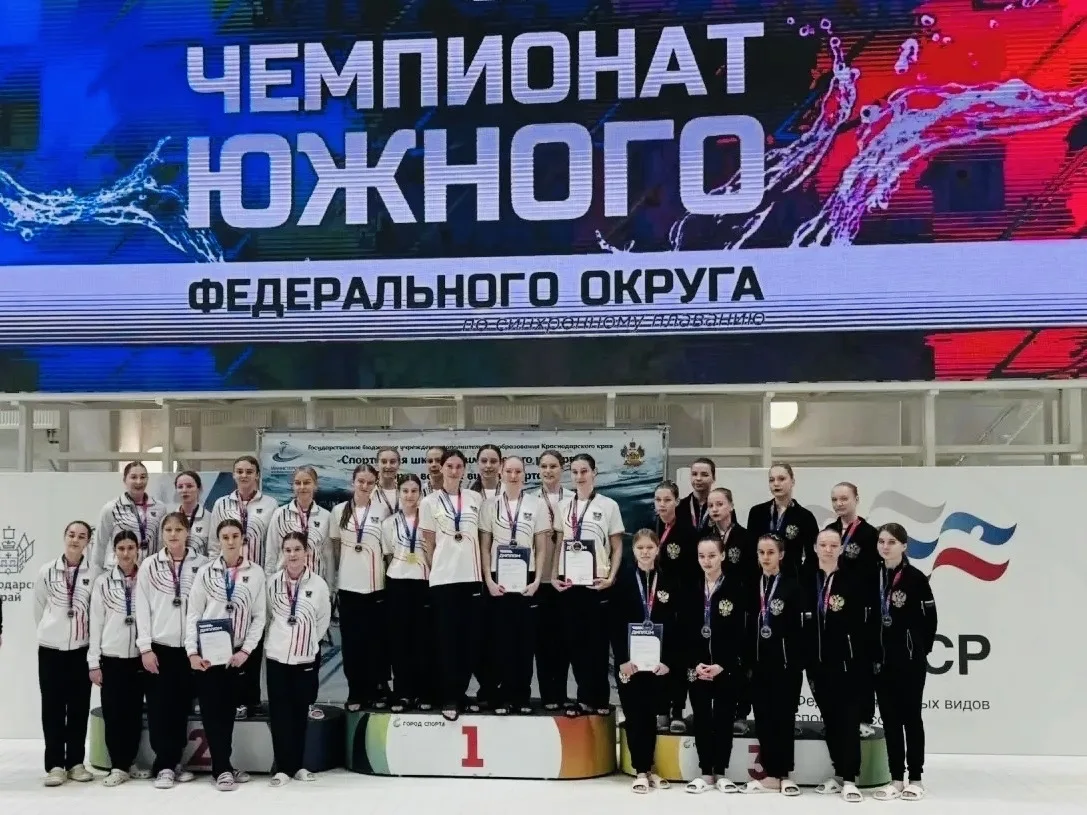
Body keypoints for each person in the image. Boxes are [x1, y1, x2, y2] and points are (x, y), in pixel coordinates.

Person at [185, 519, 267, 792]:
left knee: (229, 713)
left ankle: (223, 765)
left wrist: (246, 651)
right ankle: (221, 768)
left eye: (235, 536)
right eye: (225, 537)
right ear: (218, 540)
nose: (230, 541)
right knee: (212, 712)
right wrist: (192, 652)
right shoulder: (205, 572)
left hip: (237, 656)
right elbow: (194, 614)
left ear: (242, 539)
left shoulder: (255, 573)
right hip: (208, 655)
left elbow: (259, 617)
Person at [136, 511, 208, 788]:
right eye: (168, 530)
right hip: (160, 647)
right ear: (162, 534)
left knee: (180, 708)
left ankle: (174, 761)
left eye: (179, 529)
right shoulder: (150, 565)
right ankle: (164, 765)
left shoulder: (202, 565)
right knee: (159, 708)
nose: (173, 534)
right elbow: (142, 608)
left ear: (188, 532)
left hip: (189, 649)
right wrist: (145, 647)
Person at [554, 453, 625, 717]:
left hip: (597, 584)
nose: (579, 476)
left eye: (584, 471)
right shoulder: (564, 506)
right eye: (574, 472)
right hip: (571, 584)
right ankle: (584, 698)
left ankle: (601, 699)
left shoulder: (608, 505)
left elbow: (617, 546)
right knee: (575, 643)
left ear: (594, 472)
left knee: (598, 644)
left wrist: (611, 577)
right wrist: (554, 575)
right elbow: (558, 543)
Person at [479, 455, 551, 714]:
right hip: (497, 579)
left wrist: (537, 580)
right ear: (501, 473)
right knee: (500, 642)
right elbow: (485, 547)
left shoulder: (536, 505)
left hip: (526, 579)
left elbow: (541, 547)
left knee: (524, 642)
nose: (513, 475)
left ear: (524, 475)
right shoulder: (489, 505)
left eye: (518, 471)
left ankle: (521, 697)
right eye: (508, 471)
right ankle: (503, 696)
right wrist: (488, 580)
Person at [871, 523, 937, 802]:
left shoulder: (915, 578)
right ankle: (896, 778)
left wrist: (918, 650)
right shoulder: (872, 576)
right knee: (890, 721)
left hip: (910, 662)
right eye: (881, 541)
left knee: (911, 719)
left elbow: (930, 620)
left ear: (904, 546)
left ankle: (916, 779)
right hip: (881, 663)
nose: (885, 546)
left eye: (892, 542)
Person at [209, 454, 279, 719]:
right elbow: (213, 544)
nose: (244, 475)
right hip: (227, 580)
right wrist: (217, 576)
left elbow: (272, 545)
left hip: (255, 578)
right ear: (234, 475)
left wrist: (267, 578)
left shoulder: (270, 504)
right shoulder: (221, 504)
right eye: (239, 471)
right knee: (229, 637)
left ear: (257, 474)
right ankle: (229, 697)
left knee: (254, 638)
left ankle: (251, 698)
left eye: (249, 471)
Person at [419, 448, 485, 720]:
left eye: (459, 466)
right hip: (444, 580)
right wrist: (439, 568)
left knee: (468, 642)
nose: (454, 471)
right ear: (442, 468)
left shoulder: (475, 498)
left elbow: (481, 537)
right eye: (450, 466)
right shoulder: (429, 502)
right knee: (446, 641)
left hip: (471, 579)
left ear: (465, 470)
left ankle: (461, 693)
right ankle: (448, 696)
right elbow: (428, 543)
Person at [611, 529, 676, 794]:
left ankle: (649, 769)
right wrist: (622, 660)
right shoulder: (624, 580)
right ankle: (640, 770)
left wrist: (667, 661)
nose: (645, 552)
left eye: (650, 547)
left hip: (656, 664)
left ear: (657, 549)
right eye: (640, 548)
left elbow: (674, 626)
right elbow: (615, 625)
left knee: (650, 716)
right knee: (634, 715)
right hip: (631, 664)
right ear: (634, 551)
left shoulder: (668, 580)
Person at [266, 532, 332, 787]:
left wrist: (308, 642)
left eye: (297, 549)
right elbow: (268, 616)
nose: (292, 554)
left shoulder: (319, 585)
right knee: (280, 714)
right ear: (283, 553)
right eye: (288, 550)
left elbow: (323, 620)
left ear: (307, 553)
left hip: (305, 659)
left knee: (300, 713)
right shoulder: (273, 583)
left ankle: (299, 766)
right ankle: (283, 768)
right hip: (277, 658)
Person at [804, 529, 865, 803]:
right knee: (829, 720)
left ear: (841, 549)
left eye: (833, 545)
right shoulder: (807, 580)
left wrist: (857, 658)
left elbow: (863, 627)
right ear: (815, 548)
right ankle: (839, 773)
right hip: (816, 664)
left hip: (846, 664)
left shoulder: (853, 581)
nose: (828, 549)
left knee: (848, 720)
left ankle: (851, 779)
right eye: (823, 545)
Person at [35, 521, 98, 787]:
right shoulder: (47, 570)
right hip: (51, 651)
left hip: (80, 651)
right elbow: (39, 608)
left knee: (78, 708)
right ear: (64, 537)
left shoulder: (94, 573)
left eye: (81, 536)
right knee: (52, 709)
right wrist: (51, 633)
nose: (75, 539)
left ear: (88, 542)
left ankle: (75, 763)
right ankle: (54, 765)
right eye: (71, 534)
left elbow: (96, 613)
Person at [740, 533, 804, 796]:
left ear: (781, 555)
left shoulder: (793, 587)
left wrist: (794, 662)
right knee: (764, 720)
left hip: (785, 666)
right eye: (761, 552)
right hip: (758, 666)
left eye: (770, 552)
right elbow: (745, 628)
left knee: (784, 720)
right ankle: (769, 773)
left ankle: (784, 774)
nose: (765, 557)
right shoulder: (750, 586)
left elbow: (800, 630)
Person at [684, 535, 746, 794]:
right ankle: (705, 773)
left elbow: (741, 632)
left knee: (723, 719)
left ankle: (720, 772)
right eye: (702, 556)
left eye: (711, 555)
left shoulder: (736, 587)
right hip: (697, 668)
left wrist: (724, 664)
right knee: (701, 719)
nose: (706, 561)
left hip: (725, 668)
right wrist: (694, 663)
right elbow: (683, 631)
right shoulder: (690, 587)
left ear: (723, 555)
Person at [89, 530, 150, 786]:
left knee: (134, 713)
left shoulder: (146, 578)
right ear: (114, 552)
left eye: (130, 548)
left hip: (138, 656)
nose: (126, 553)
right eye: (121, 549)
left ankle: (130, 762)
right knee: (114, 713)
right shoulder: (103, 582)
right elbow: (95, 623)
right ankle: (117, 765)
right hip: (112, 657)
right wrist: (94, 662)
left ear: (138, 550)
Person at [329, 464, 390, 711]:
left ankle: (375, 690)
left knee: (375, 643)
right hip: (349, 588)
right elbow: (335, 549)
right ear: (353, 482)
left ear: (375, 485)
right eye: (360, 481)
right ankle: (355, 691)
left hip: (376, 587)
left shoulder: (382, 510)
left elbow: (386, 549)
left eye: (369, 482)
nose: (364, 486)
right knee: (352, 644)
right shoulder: (338, 511)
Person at [825, 481, 880, 736]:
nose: (839, 504)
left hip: (859, 609)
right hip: (832, 607)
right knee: (834, 665)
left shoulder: (869, 534)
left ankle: (864, 718)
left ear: (856, 499)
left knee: (860, 664)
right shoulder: (828, 532)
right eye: (835, 499)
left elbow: (873, 575)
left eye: (844, 498)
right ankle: (835, 716)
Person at [381, 475, 433, 712]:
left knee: (423, 641)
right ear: (399, 493)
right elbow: (389, 555)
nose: (410, 495)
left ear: (420, 493)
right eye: (405, 491)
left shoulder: (430, 521)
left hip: (424, 584)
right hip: (398, 584)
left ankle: (424, 692)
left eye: (414, 491)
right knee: (400, 641)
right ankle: (403, 693)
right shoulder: (389, 523)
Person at [653, 480, 697, 733]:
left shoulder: (688, 532)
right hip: (656, 603)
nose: (662, 505)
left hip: (681, 605)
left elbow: (693, 573)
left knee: (678, 658)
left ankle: (678, 710)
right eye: (658, 500)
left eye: (667, 500)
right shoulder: (653, 527)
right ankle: (661, 709)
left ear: (677, 502)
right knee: (658, 657)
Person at [533, 449, 573, 712]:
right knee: (543, 641)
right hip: (540, 580)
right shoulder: (529, 500)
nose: (548, 471)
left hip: (566, 579)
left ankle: (562, 693)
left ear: (562, 469)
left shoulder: (573, 499)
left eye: (553, 466)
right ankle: (548, 694)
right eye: (544, 466)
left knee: (564, 640)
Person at [746, 463, 819, 579]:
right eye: (771, 480)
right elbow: (750, 550)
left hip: (791, 581)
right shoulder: (757, 512)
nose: (776, 483)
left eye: (781, 479)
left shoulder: (805, 517)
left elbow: (813, 556)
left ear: (792, 481)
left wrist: (800, 580)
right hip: (760, 579)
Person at [93, 460, 167, 570]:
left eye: (143, 477)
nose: (139, 481)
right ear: (125, 480)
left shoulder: (160, 508)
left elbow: (162, 544)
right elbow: (100, 545)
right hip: (119, 571)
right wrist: (96, 574)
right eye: (133, 477)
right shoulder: (111, 508)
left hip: (149, 571)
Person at [266, 465, 332, 578]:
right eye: (297, 483)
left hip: (315, 580)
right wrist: (269, 580)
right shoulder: (280, 514)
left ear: (315, 485)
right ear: (293, 486)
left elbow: (328, 556)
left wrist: (330, 585)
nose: (302, 487)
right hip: (285, 581)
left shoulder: (325, 516)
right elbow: (271, 551)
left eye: (306, 483)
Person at [174, 470, 212, 555]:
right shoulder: (169, 519)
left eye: (189, 486)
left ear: (199, 489)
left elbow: (214, 550)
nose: (184, 490)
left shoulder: (210, 518)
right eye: (180, 487)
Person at [678, 458, 715, 536]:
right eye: (694, 474)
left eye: (704, 475)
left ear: (713, 478)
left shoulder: (723, 507)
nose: (698, 478)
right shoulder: (679, 506)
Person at [374, 446, 402, 514]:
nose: (388, 466)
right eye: (384, 462)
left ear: (399, 464)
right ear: (377, 464)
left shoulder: (406, 492)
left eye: (392, 462)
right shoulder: (369, 492)